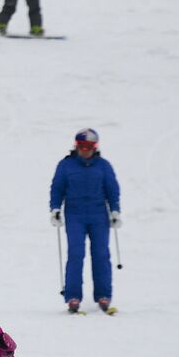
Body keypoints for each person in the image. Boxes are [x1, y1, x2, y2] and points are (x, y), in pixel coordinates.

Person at [50, 128, 121, 313]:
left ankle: (103, 296)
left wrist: (115, 211)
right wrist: (55, 208)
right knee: (76, 254)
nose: (85, 150)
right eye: (81, 146)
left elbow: (112, 188)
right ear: (76, 146)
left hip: (99, 216)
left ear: (95, 147)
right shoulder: (66, 165)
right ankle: (73, 296)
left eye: (89, 146)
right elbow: (57, 188)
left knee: (101, 255)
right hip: (75, 215)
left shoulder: (103, 166)